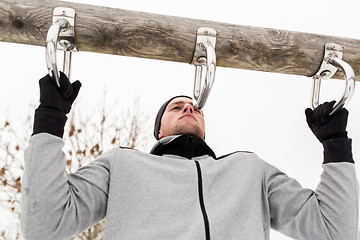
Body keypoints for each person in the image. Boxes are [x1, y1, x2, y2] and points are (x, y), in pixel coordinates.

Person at [21, 73, 358, 240]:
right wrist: (51, 117)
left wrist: (335, 143)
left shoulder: (249, 170)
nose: (188, 107)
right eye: (176, 107)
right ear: (160, 130)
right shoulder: (123, 165)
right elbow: (45, 222)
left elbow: (336, 230)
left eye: (194, 107)